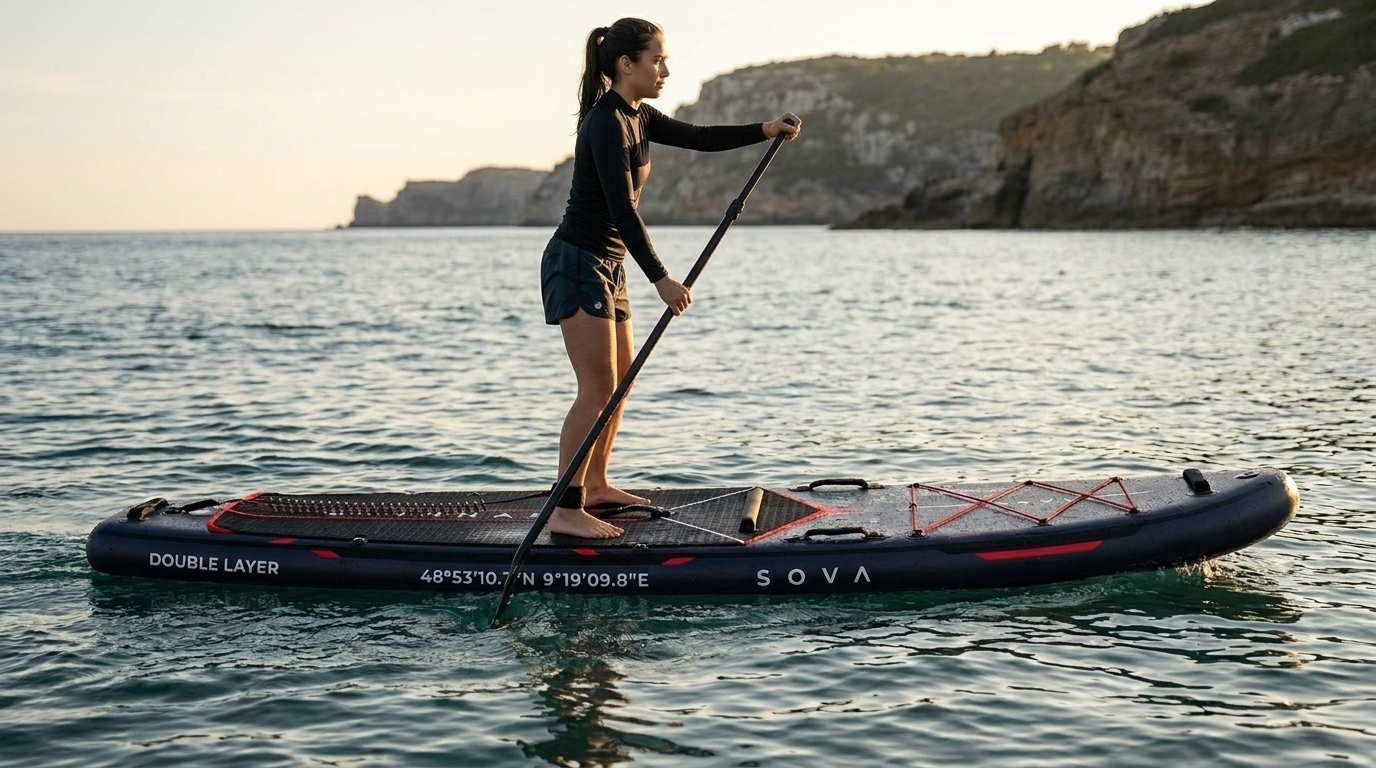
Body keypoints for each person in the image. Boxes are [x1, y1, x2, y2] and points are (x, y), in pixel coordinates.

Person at [541, 17, 801, 538]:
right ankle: (566, 509)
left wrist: (764, 130)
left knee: (620, 382)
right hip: (578, 261)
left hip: (608, 265)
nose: (664, 70)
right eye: (657, 60)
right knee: (596, 388)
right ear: (626, 64)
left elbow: (699, 137)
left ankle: (596, 485)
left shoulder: (638, 115)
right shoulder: (605, 122)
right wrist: (661, 277)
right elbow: (622, 210)